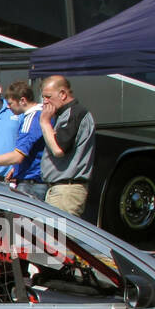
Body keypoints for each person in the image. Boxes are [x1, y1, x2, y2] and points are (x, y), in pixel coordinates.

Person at [39, 75, 95, 217]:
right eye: (43, 97)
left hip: (66, 191)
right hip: (59, 190)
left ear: (63, 94)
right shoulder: (64, 114)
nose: (45, 102)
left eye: (48, 97)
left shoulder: (74, 113)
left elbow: (58, 149)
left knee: (58, 238)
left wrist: (45, 122)